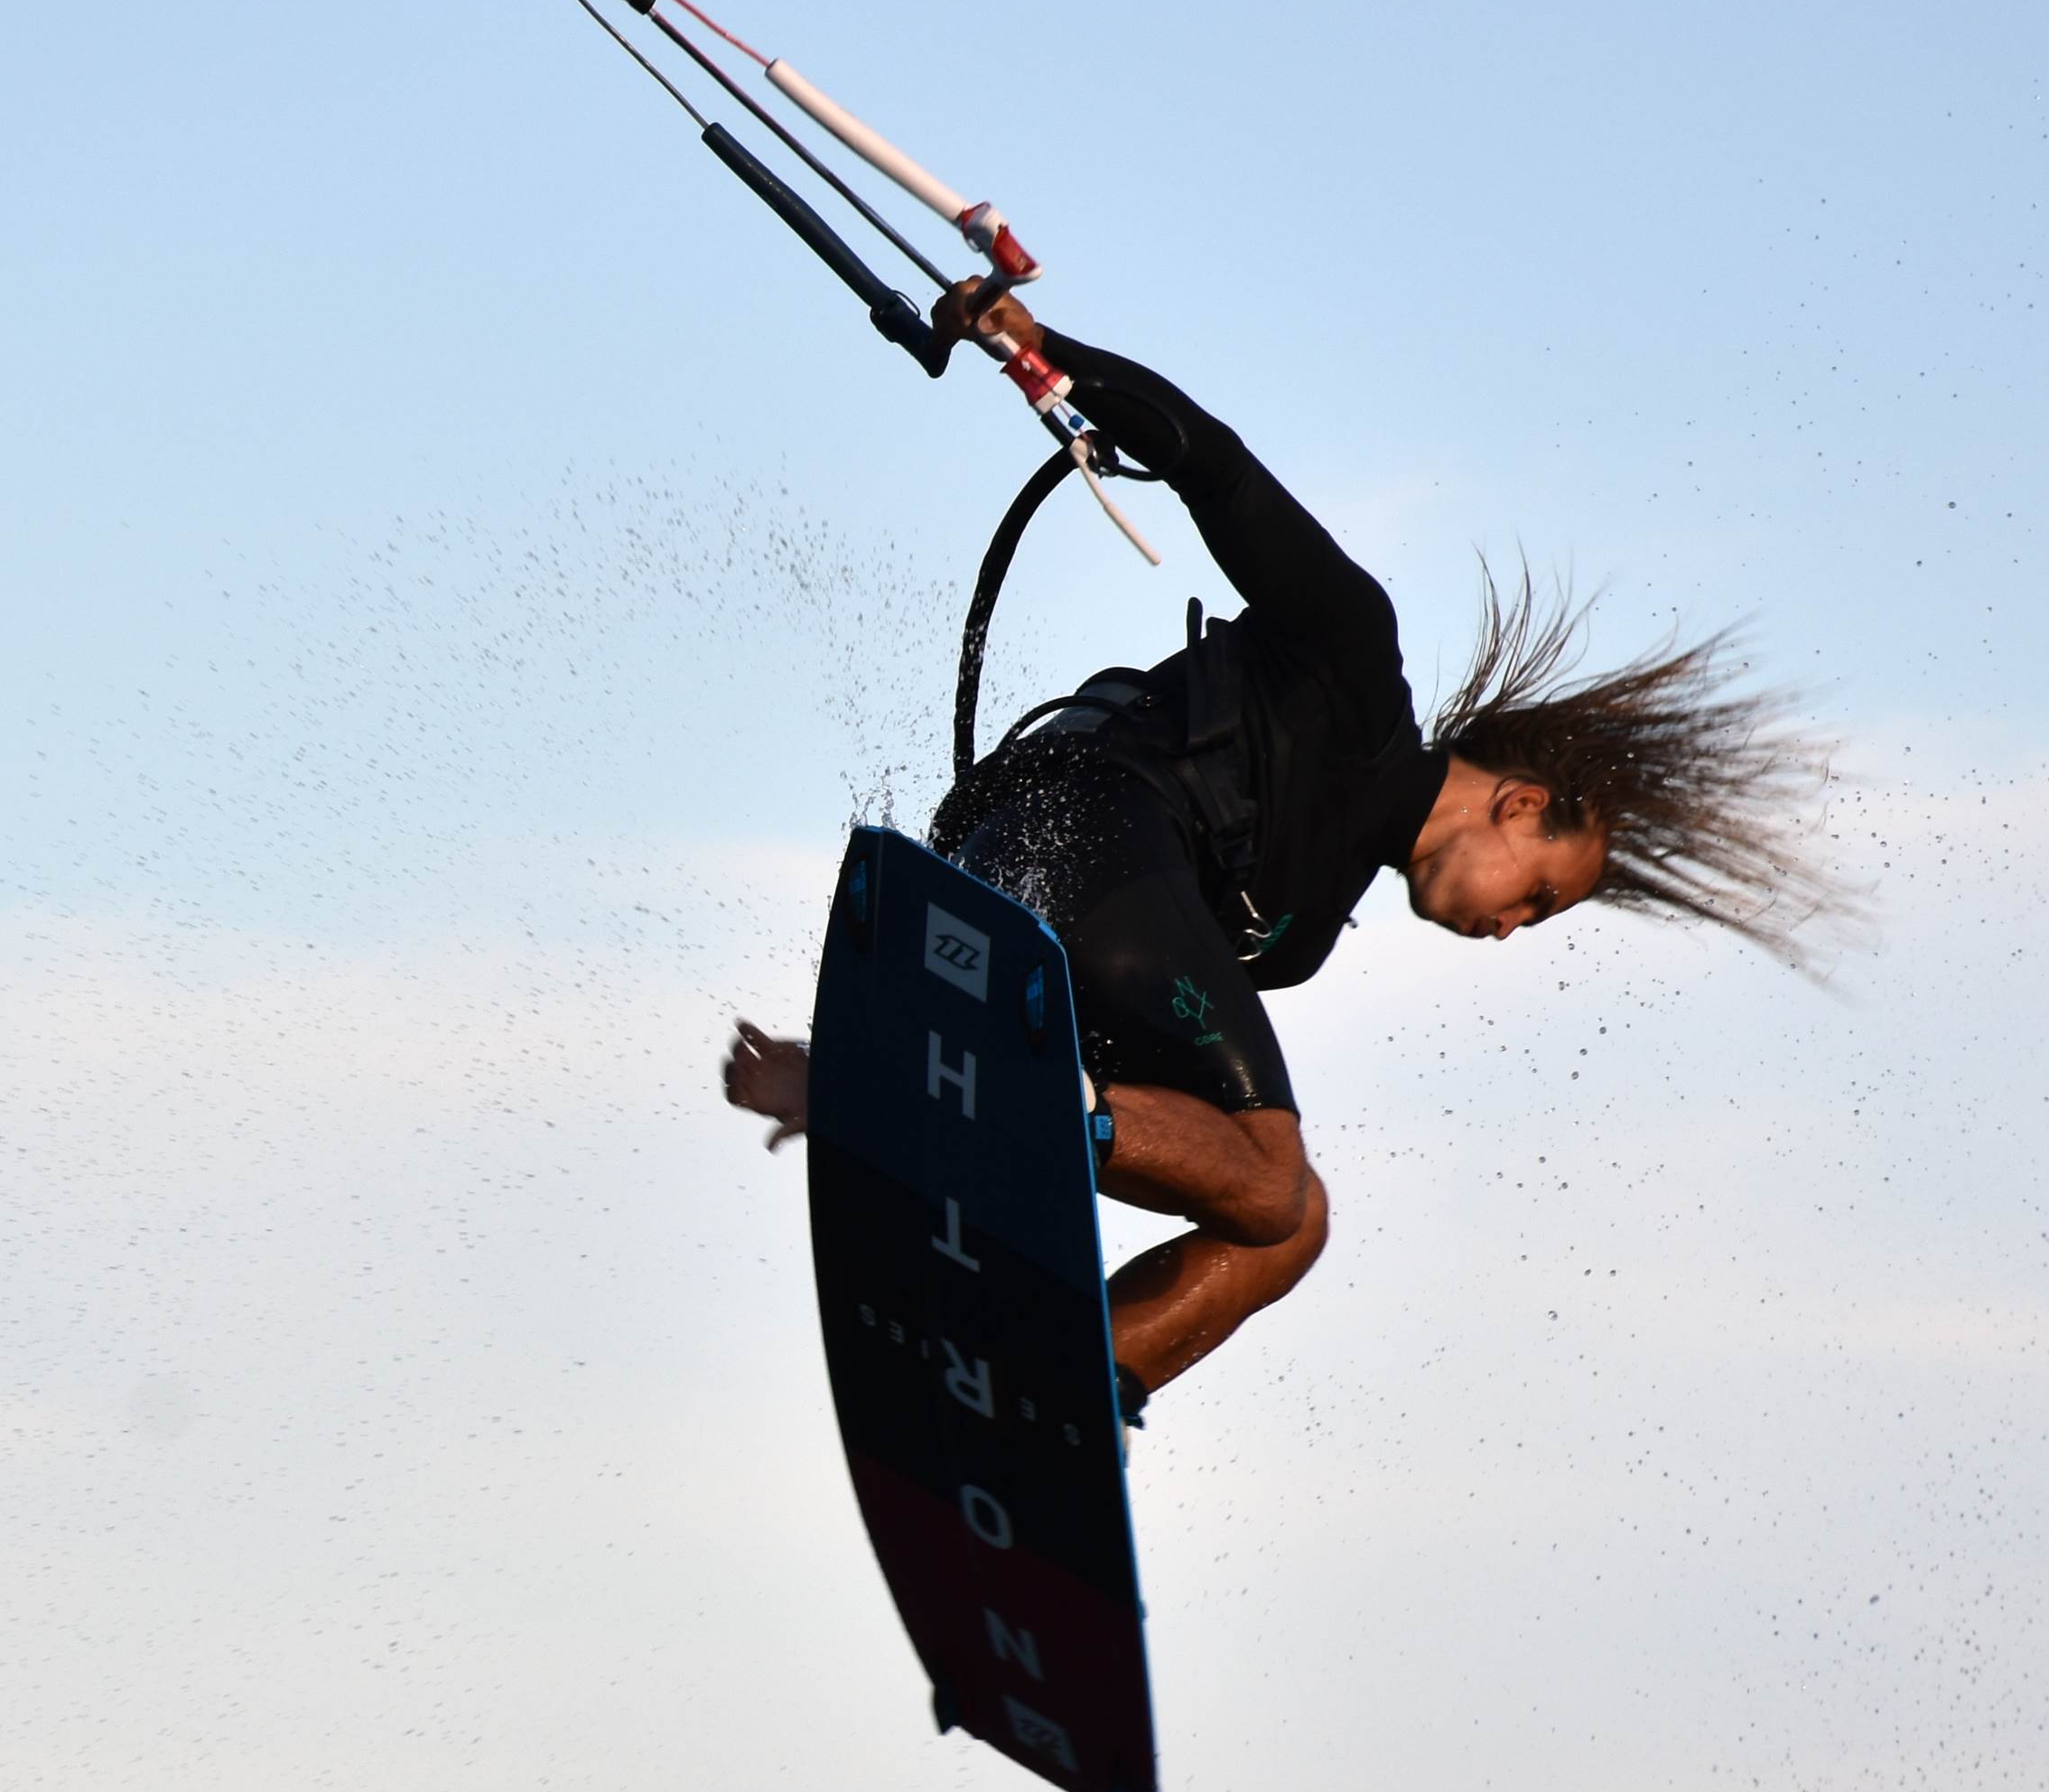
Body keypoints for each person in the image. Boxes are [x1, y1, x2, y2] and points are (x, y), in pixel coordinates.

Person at [724, 285, 1844, 1410]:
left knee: (1291, 1221)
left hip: (1037, 913)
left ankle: (1061, 1387)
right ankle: (938, 1105)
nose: (1512, 929)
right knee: (1269, 1179)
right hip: (1072, 824)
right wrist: (1043, 349)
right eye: (1539, 898)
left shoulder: (1296, 933)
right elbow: (1213, 463)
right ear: (1519, 805)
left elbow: (1125, 1063)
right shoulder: (1352, 660)